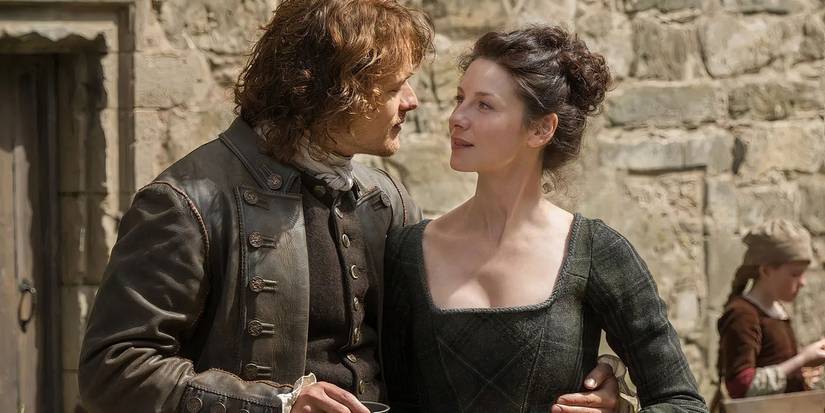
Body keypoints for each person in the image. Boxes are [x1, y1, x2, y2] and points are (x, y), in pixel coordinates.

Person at [78, 1, 622, 412]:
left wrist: (578, 378)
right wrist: (278, 405)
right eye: (395, 86)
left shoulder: (385, 200)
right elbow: (114, 369)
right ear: (334, 91)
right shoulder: (189, 202)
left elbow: (436, 353)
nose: (412, 102)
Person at [382, 25, 708, 412]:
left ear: (541, 128)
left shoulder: (597, 252)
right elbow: (386, 398)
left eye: (484, 105)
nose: (457, 117)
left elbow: (683, 402)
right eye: (460, 99)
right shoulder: (408, 252)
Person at [716, 219, 825, 402]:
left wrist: (801, 373)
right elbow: (740, 386)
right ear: (766, 271)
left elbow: (774, 366)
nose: (803, 282)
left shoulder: (777, 310)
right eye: (795, 274)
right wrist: (802, 359)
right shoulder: (742, 314)